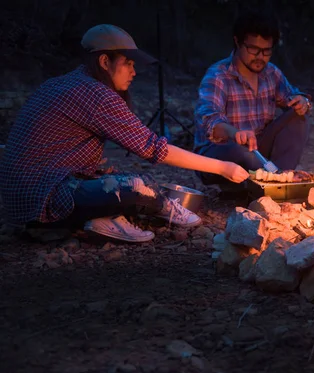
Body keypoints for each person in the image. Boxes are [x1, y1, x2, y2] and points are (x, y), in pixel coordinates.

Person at [0, 24, 248, 243]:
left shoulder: (62, 83)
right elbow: (154, 148)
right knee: (139, 187)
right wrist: (223, 167)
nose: (134, 71)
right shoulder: (96, 94)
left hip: (21, 201)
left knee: (121, 179)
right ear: (105, 62)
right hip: (45, 197)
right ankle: (108, 216)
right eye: (128, 63)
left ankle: (97, 217)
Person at [193, 10, 311, 185]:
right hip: (222, 153)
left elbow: (292, 97)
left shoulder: (272, 73)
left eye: (266, 51)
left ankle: (279, 181)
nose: (260, 57)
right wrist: (236, 133)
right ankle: (244, 187)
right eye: (254, 50)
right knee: (241, 152)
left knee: (298, 117)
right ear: (237, 42)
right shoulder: (218, 76)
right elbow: (209, 122)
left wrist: (303, 102)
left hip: (259, 153)